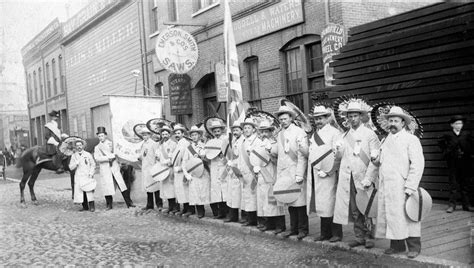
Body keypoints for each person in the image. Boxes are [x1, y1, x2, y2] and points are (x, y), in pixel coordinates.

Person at [374, 106, 425, 259]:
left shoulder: (411, 139)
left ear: (403, 123)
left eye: (396, 121)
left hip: (402, 185)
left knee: (408, 215)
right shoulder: (384, 140)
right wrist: (375, 160)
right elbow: (381, 162)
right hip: (387, 184)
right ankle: (396, 246)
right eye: (390, 120)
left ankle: (414, 247)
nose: (392, 124)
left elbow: (418, 163)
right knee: (391, 215)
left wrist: (410, 185)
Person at [333, 101, 380, 249]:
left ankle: (370, 237)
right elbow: (340, 158)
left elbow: (375, 159)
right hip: (349, 177)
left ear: (361, 117)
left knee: (367, 207)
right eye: (350, 116)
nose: (352, 119)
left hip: (364, 175)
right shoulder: (344, 135)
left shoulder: (370, 134)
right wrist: (338, 150)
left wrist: (369, 178)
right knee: (355, 209)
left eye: (355, 116)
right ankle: (359, 236)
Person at [307, 106, 343, 242]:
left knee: (331, 203)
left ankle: (336, 234)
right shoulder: (315, 134)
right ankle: (325, 233)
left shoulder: (335, 133)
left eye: (321, 118)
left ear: (327, 118)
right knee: (322, 203)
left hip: (329, 173)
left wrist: (329, 171)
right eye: (316, 119)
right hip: (317, 172)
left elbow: (337, 154)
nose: (318, 121)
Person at [273, 106, 309, 240]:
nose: (283, 121)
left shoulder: (299, 132)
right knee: (289, 200)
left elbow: (302, 155)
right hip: (284, 172)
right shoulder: (280, 134)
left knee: (299, 202)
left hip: (296, 170)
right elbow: (279, 154)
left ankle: (303, 229)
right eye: (281, 119)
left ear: (291, 118)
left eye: (285, 118)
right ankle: (293, 229)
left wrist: (300, 173)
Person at [253, 119, 286, 233]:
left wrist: (270, 151)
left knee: (274, 200)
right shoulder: (258, 144)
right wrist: (255, 167)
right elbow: (255, 158)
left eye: (266, 131)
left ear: (271, 132)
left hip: (273, 174)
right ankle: (269, 223)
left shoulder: (275, 143)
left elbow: (278, 160)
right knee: (264, 200)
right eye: (262, 132)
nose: (264, 134)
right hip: (262, 175)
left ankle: (280, 225)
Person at [93, 127, 134, 210]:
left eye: (102, 135)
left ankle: (129, 202)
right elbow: (97, 158)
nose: (101, 137)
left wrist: (114, 156)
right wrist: (107, 158)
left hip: (114, 167)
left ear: (106, 135)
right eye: (99, 136)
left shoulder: (112, 144)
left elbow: (117, 153)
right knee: (107, 186)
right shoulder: (97, 147)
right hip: (105, 168)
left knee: (121, 185)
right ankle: (109, 204)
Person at [438, 115, 474, 213]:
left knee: (465, 184)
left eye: (461, 123)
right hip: (453, 163)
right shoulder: (448, 135)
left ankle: (466, 205)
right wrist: (446, 151)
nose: (459, 126)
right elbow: (441, 144)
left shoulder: (466, 134)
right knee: (453, 184)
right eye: (457, 123)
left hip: (465, 163)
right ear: (452, 125)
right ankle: (452, 205)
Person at [182, 125, 210, 218]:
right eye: (192, 135)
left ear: (199, 135)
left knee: (204, 191)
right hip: (193, 173)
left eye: (196, 135)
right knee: (196, 192)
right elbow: (184, 162)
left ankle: (215, 212)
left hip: (204, 172)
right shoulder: (188, 148)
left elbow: (209, 159)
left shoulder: (205, 146)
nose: (194, 137)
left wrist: (204, 157)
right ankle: (200, 211)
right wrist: (186, 174)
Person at [205, 120, 229, 219]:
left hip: (224, 165)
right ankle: (220, 212)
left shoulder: (226, 140)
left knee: (225, 189)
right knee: (217, 190)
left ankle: (228, 212)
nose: (216, 133)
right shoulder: (210, 142)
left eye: (218, 131)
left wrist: (224, 157)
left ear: (221, 131)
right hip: (214, 166)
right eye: (214, 131)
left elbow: (230, 153)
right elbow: (208, 154)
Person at [238, 118, 259, 226]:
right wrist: (239, 170)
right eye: (245, 128)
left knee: (253, 196)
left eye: (248, 128)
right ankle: (249, 218)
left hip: (253, 172)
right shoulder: (243, 141)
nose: (246, 130)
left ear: (254, 129)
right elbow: (240, 158)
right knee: (247, 197)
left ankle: (254, 220)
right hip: (244, 172)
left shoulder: (256, 141)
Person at [171, 124, 193, 217]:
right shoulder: (178, 144)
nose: (177, 135)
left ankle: (190, 209)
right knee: (180, 190)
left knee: (186, 190)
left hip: (183, 170)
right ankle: (184, 208)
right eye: (175, 133)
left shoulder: (186, 143)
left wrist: (181, 168)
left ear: (183, 134)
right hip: (177, 171)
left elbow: (188, 158)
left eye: (179, 133)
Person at [69, 139, 96, 212]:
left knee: (89, 190)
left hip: (87, 175)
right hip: (79, 176)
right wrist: (76, 163)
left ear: (83, 146)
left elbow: (93, 164)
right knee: (81, 191)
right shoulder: (74, 156)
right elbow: (71, 167)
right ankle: (85, 206)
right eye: (77, 146)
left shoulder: (87, 154)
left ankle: (92, 206)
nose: (79, 147)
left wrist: (91, 173)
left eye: (80, 145)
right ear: (75, 147)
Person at [138, 128, 162, 211]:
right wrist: (139, 157)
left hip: (153, 167)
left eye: (146, 134)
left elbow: (157, 155)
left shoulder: (153, 144)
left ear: (149, 135)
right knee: (148, 186)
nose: (144, 136)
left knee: (155, 186)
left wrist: (157, 167)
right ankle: (149, 204)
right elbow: (142, 155)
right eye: (143, 135)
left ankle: (159, 204)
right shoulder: (143, 144)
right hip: (145, 168)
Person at [158, 126, 178, 214]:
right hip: (164, 168)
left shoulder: (173, 144)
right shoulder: (161, 145)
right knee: (167, 188)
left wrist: (169, 161)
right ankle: (170, 206)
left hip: (171, 167)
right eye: (163, 134)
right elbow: (158, 155)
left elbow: (175, 155)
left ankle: (176, 207)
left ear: (169, 134)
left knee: (173, 188)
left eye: (166, 134)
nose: (164, 136)